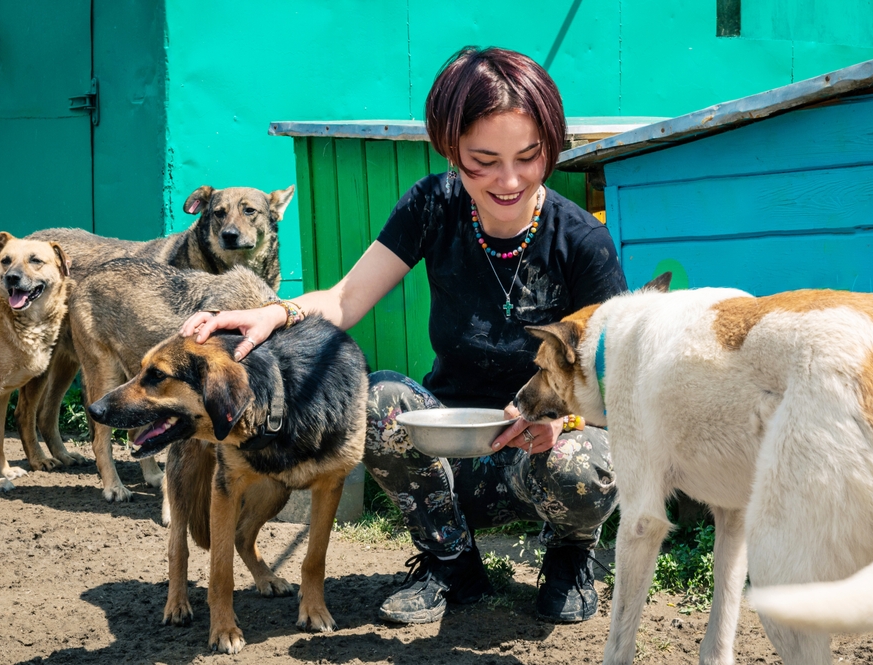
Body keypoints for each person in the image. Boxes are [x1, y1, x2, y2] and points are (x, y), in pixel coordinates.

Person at [181, 46, 627, 625]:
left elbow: (618, 384)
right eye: (483, 160)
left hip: (542, 453)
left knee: (584, 459)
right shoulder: (433, 205)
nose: (509, 180)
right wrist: (275, 313)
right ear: (451, 150)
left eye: (528, 156)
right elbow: (345, 298)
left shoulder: (582, 242)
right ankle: (452, 562)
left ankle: (571, 556)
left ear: (551, 145)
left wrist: (562, 422)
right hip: (454, 452)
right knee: (379, 399)